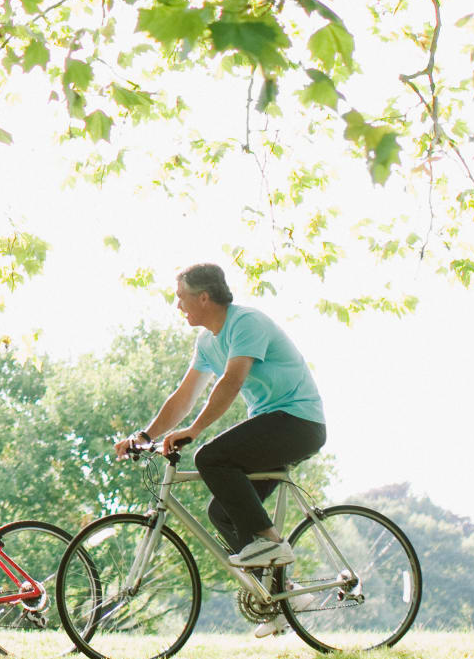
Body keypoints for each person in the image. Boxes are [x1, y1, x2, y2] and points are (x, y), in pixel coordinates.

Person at [114, 263, 327, 637]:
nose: (178, 306)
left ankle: (275, 546)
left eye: (181, 297)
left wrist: (195, 431)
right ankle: (282, 599)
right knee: (223, 512)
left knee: (210, 457)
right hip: (273, 424)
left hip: (298, 422)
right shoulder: (207, 342)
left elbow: (231, 381)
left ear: (204, 297)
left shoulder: (246, 323)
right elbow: (184, 397)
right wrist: (145, 436)